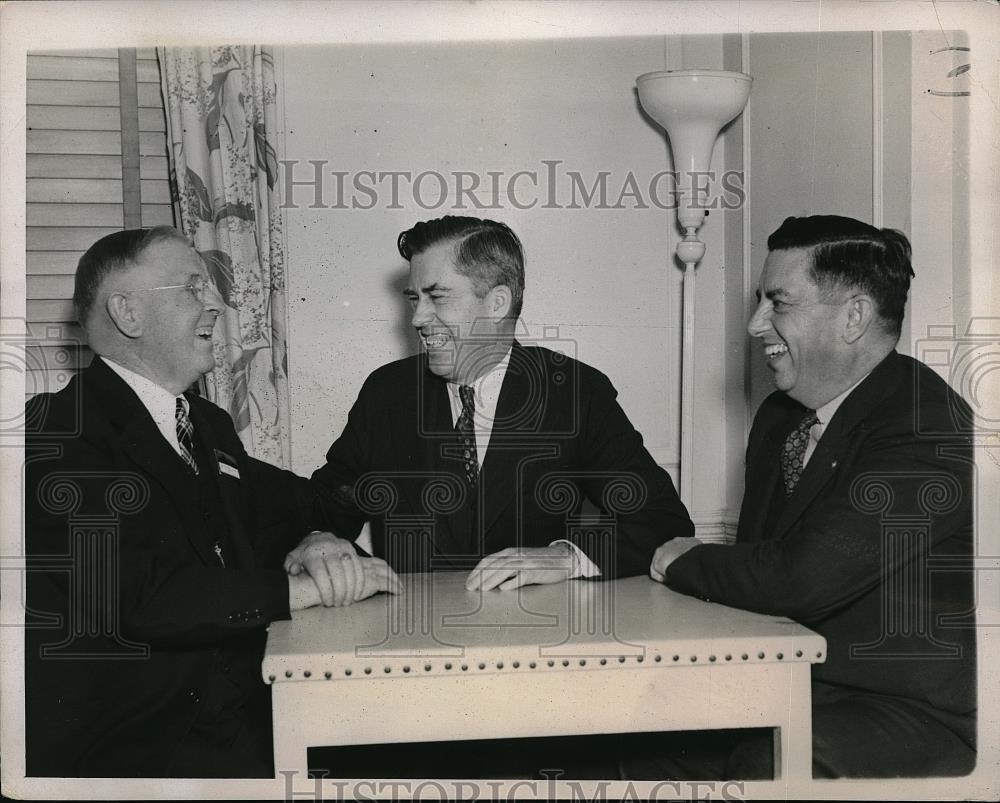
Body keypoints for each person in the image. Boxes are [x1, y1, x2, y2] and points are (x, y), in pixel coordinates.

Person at [24, 227, 401, 778]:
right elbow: (149, 596)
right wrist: (309, 588)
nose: (217, 304)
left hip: (239, 716)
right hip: (138, 746)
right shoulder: (58, 430)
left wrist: (313, 539)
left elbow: (291, 509)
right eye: (193, 287)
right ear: (127, 313)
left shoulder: (207, 424)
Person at [632, 215, 976, 779]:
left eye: (779, 304)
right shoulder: (779, 417)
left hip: (914, 712)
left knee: (765, 761)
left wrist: (679, 557)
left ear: (855, 317)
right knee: (635, 738)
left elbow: (798, 578)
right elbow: (757, 567)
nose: (754, 324)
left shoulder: (925, 424)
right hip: (795, 680)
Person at [309, 215, 693, 591]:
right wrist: (314, 535)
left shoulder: (576, 393)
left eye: (437, 297)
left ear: (496, 303)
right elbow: (325, 508)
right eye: (414, 299)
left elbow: (662, 520)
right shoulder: (386, 393)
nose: (418, 318)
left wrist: (565, 557)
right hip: (413, 637)